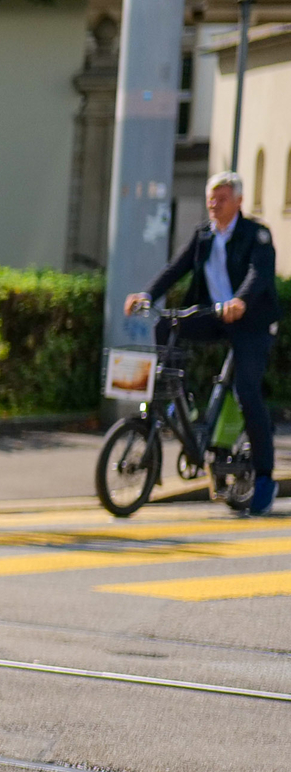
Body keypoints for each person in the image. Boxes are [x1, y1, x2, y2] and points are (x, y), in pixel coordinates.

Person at [126, 171, 278, 516]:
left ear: (238, 201)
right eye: (211, 198)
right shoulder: (204, 234)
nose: (214, 204)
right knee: (166, 325)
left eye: (221, 198)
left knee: (247, 392)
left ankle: (265, 478)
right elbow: (175, 268)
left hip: (251, 321)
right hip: (214, 314)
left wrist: (240, 300)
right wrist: (147, 293)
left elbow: (259, 274)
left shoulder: (257, 235)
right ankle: (180, 400)